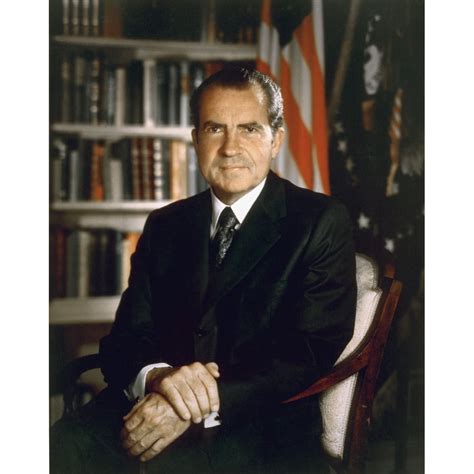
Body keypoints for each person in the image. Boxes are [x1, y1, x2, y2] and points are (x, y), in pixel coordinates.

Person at [51, 68, 357, 474]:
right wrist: (159, 379)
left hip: (256, 424)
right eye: (215, 128)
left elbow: (307, 351)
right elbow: (126, 338)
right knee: (61, 446)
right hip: (148, 405)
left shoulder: (319, 220)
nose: (231, 147)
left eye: (249, 128)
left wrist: (197, 403)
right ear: (196, 140)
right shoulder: (165, 224)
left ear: (276, 139)